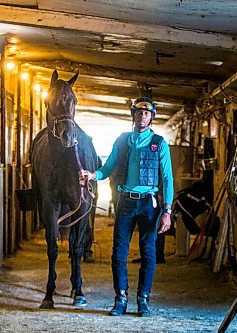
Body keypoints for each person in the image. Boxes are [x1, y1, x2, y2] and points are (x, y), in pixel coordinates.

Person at [79, 97, 174, 317]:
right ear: (133, 115)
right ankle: (120, 298)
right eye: (139, 113)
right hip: (126, 202)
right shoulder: (122, 141)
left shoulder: (159, 144)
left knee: (148, 252)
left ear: (151, 117)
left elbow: (167, 178)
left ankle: (143, 300)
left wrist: (167, 210)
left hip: (149, 203)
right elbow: (108, 167)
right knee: (119, 253)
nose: (143, 116)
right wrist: (92, 175)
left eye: (147, 113)